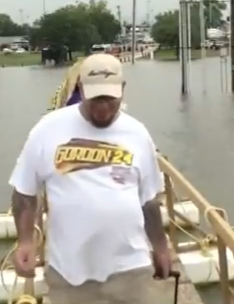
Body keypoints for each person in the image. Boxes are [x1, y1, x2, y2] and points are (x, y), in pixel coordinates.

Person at [9, 53, 171, 304]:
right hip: (70, 274)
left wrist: (160, 248)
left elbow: (148, 201)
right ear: (81, 89)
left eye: (110, 98)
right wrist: (26, 242)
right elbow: (24, 193)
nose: (103, 107)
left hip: (131, 269)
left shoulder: (137, 134)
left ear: (123, 90)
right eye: (96, 98)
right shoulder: (47, 130)